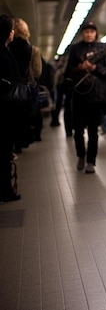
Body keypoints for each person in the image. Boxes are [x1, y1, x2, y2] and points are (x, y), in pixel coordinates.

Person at [64, 21, 106, 174]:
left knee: (93, 130)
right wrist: (79, 68)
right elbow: (67, 72)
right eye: (86, 31)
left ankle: (91, 161)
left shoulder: (102, 49)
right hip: (79, 95)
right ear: (82, 33)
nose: (89, 34)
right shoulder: (75, 49)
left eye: (92, 31)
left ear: (95, 33)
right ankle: (81, 155)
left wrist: (94, 68)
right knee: (78, 130)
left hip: (96, 96)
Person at [8, 17, 42, 151]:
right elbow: (37, 72)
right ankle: (22, 142)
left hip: (8, 89)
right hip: (24, 90)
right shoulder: (33, 50)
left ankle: (13, 145)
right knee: (24, 116)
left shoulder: (7, 48)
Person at [0, 14, 22, 202]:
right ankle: (5, 191)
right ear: (8, 33)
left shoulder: (5, 51)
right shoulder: (3, 54)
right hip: (4, 109)